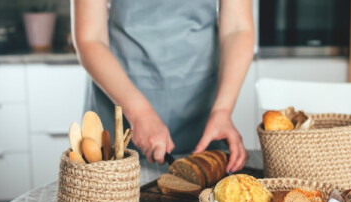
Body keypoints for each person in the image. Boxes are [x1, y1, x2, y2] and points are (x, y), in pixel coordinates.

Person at [72, 0, 254, 172]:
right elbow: (91, 38)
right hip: (118, 99)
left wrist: (222, 110)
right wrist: (139, 113)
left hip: (202, 108)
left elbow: (238, 28)